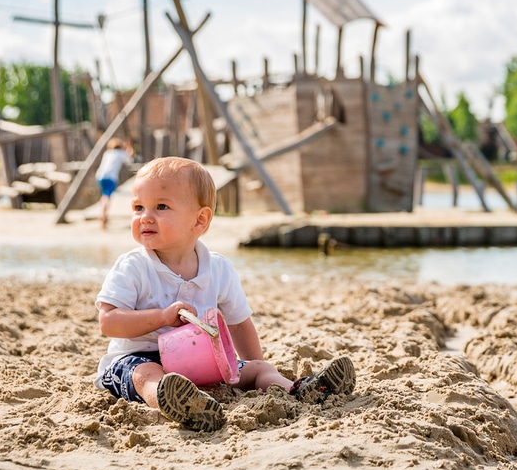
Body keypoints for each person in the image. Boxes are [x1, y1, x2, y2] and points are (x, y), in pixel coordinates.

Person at [95, 156, 355, 431]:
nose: (145, 216)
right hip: (138, 356)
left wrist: (254, 363)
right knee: (146, 375)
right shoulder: (133, 266)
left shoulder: (218, 268)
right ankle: (173, 401)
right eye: (138, 207)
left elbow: (239, 323)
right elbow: (108, 321)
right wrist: (161, 317)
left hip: (202, 362)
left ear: (200, 220)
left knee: (259, 370)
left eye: (161, 206)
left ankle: (300, 391)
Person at [96, 138, 134, 229]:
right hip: (110, 177)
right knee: (107, 197)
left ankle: (102, 213)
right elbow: (129, 161)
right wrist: (130, 150)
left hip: (100, 176)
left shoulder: (107, 153)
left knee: (103, 196)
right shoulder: (120, 153)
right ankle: (103, 216)